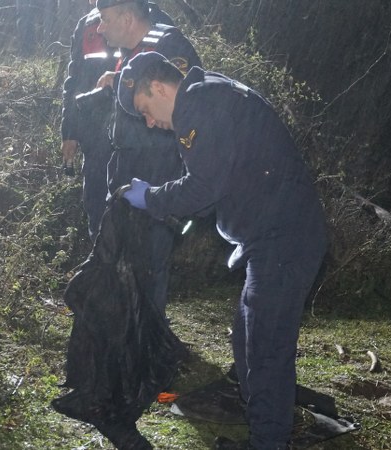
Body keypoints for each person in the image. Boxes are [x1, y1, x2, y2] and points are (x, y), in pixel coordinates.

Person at [116, 51, 329, 450]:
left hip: (283, 239)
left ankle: (268, 443)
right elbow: (222, 176)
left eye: (145, 109)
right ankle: (263, 433)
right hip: (271, 238)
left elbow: (202, 187)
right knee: (248, 343)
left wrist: (151, 199)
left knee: (266, 351)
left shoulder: (198, 104)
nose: (149, 122)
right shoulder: (210, 90)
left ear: (159, 87)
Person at [94, 0, 201, 317]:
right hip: (125, 166)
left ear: (127, 18)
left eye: (105, 19)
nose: (99, 27)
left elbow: (189, 105)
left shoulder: (169, 43)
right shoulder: (127, 51)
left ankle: (149, 339)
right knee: (123, 254)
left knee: (152, 258)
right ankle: (126, 329)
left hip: (158, 169)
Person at [61, 0, 173, 240]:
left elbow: (170, 84)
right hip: (96, 135)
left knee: (145, 223)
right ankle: (101, 262)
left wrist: (121, 80)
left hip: (143, 139)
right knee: (98, 207)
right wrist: (69, 130)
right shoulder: (88, 25)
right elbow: (75, 80)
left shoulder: (153, 21)